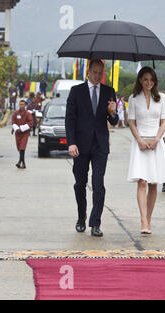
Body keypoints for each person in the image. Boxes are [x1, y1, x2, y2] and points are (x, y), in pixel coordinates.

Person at [65, 59, 118, 237]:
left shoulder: (109, 91)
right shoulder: (76, 91)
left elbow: (114, 121)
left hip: (100, 145)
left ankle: (95, 223)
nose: (97, 76)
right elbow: (70, 119)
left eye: (100, 73)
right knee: (80, 183)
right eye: (94, 72)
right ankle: (81, 217)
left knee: (98, 183)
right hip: (79, 145)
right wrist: (71, 142)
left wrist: (113, 112)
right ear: (88, 72)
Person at [127, 66, 165, 235]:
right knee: (142, 182)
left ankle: (149, 218)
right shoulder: (133, 98)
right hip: (140, 143)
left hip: (156, 142)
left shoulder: (161, 98)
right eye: (145, 79)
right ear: (140, 80)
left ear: (154, 81)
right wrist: (139, 140)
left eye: (151, 79)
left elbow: (164, 121)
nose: (148, 82)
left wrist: (157, 139)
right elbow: (131, 122)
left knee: (154, 182)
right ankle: (143, 220)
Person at [11, 100, 33, 169]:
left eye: (23, 104)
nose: (21, 106)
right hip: (17, 133)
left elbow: (30, 123)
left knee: (22, 147)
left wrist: (22, 128)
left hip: (24, 133)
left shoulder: (28, 114)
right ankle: (23, 163)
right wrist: (15, 128)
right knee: (19, 147)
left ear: (25, 105)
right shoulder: (16, 113)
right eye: (20, 104)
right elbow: (13, 121)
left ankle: (19, 161)